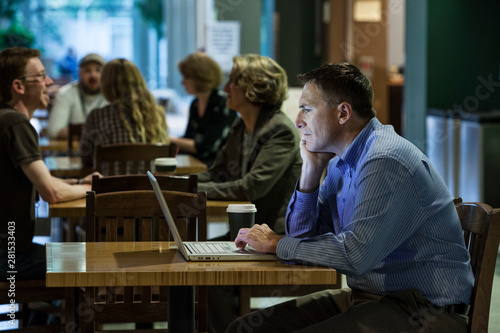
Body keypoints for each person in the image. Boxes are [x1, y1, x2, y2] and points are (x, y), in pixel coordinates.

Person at [229, 62, 474, 333]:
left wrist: (276, 244)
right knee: (245, 329)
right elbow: (300, 238)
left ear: (343, 113)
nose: (298, 120)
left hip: (423, 311)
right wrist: (310, 172)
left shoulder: (384, 159)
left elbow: (356, 255)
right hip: (372, 300)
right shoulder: (338, 163)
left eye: (307, 109)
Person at [200, 54, 302, 332]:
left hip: (276, 235)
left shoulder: (279, 129)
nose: (224, 89)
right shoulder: (240, 126)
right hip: (249, 233)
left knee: (207, 275)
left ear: (253, 88)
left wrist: (190, 190)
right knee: (187, 264)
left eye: (232, 81)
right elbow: (217, 173)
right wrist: (179, 185)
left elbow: (251, 186)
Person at [0, 47, 94, 282]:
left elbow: (40, 181)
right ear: (18, 87)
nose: (50, 82)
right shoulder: (15, 123)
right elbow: (51, 193)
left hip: (10, 251)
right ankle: (64, 318)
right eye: (41, 76)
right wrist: (91, 189)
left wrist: (76, 182)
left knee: (73, 256)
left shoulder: (5, 119)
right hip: (9, 257)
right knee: (90, 260)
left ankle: (44, 317)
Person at [79, 58, 169, 169]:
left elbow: (86, 158)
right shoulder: (157, 114)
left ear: (107, 85)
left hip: (110, 185)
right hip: (150, 185)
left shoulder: (97, 116)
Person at [170, 52, 237, 167]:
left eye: (186, 78)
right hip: (197, 163)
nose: (182, 82)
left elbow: (206, 147)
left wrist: (169, 139)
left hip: (218, 167)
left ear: (200, 77)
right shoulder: (195, 103)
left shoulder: (222, 103)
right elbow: (188, 138)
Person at [48, 53, 107, 139]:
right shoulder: (65, 93)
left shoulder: (111, 94)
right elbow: (54, 131)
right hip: (70, 151)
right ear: (79, 73)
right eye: (87, 70)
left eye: (98, 70)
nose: (93, 75)